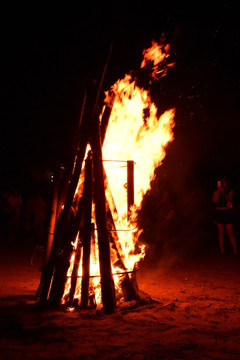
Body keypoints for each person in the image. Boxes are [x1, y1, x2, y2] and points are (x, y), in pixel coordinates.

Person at [212, 177, 238, 256]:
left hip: (227, 212)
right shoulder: (216, 191)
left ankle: (235, 250)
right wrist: (218, 192)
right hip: (219, 212)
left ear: (227, 183)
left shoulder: (231, 191)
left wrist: (223, 192)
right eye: (221, 183)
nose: (223, 184)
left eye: (224, 183)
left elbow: (229, 199)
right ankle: (222, 251)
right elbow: (214, 200)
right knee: (221, 232)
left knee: (230, 232)